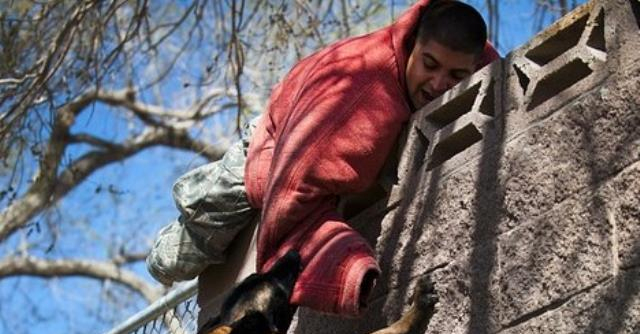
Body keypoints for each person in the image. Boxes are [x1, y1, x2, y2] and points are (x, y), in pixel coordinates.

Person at [147, 0, 499, 315]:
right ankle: (178, 228)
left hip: (307, 128)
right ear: (412, 47)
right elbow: (288, 197)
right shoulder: (357, 106)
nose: (439, 84)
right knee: (171, 262)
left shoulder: (472, 56)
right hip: (269, 149)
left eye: (455, 75)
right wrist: (343, 270)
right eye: (430, 65)